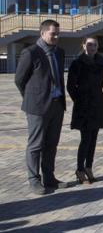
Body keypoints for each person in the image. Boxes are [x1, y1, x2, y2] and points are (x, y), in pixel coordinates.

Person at [15, 19, 68, 195]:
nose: (56, 37)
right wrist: (32, 98)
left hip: (56, 105)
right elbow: (19, 80)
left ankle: (49, 178)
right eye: (53, 33)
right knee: (36, 145)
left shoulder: (59, 52)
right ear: (43, 33)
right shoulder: (30, 53)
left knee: (51, 144)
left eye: (58, 34)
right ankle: (34, 180)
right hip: (37, 107)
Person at [67, 36, 103, 184]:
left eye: (95, 45)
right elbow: (71, 86)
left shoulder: (100, 63)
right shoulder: (77, 63)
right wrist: (79, 100)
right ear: (84, 45)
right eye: (90, 44)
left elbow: (100, 84)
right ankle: (79, 169)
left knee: (94, 139)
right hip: (83, 106)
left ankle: (89, 167)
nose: (92, 47)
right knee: (85, 139)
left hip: (97, 104)